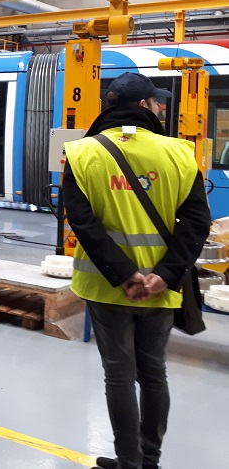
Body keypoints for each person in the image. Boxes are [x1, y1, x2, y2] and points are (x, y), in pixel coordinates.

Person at [62, 73, 210, 469]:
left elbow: (81, 221)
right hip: (162, 289)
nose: (161, 107)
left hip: (106, 288)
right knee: (154, 373)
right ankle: (150, 460)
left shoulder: (80, 153)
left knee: (119, 375)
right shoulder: (180, 153)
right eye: (157, 102)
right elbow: (196, 222)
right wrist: (164, 273)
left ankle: (128, 461)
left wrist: (124, 273)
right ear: (144, 105)